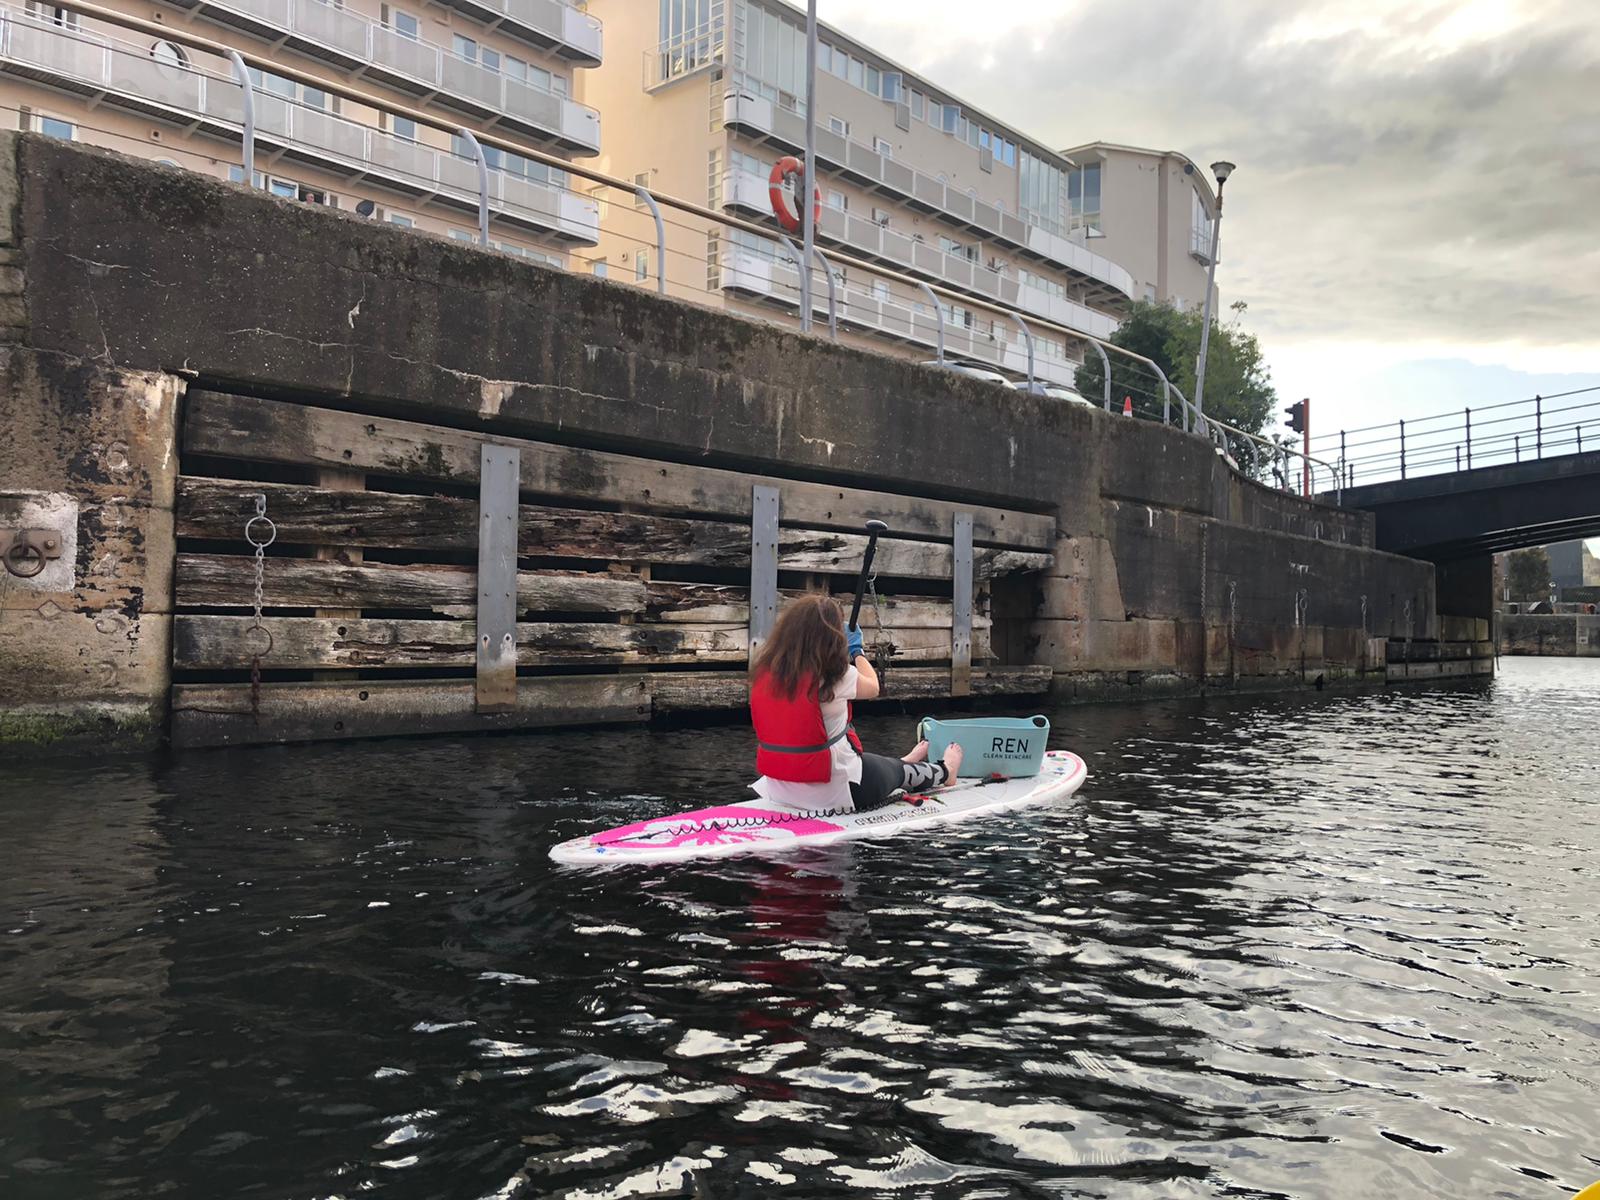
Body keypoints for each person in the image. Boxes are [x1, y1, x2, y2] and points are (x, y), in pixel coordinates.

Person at [749, 593, 963, 814]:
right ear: (831, 636)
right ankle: (946, 771)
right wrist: (857, 651)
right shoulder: (833, 675)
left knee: (879, 765)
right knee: (897, 773)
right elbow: (873, 687)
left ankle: (901, 762)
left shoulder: (764, 673)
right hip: (834, 792)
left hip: (779, 788)